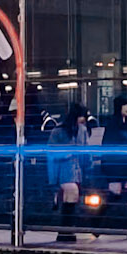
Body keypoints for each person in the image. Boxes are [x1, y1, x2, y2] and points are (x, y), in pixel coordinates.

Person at [51, 100, 90, 243]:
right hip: (64, 169)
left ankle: (66, 231)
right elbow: (52, 152)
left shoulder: (82, 130)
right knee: (71, 194)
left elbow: (85, 149)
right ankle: (66, 230)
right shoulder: (59, 131)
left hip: (76, 169)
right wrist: (67, 153)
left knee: (71, 198)